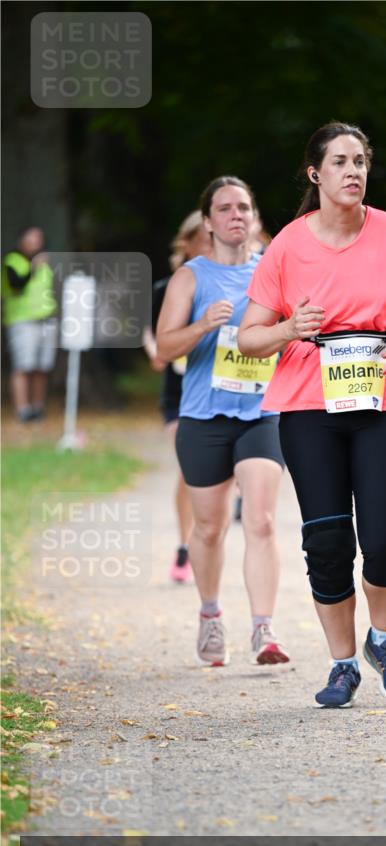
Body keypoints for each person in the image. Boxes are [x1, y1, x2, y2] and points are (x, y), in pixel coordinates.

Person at [238, 122, 386, 708]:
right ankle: (343, 664)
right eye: (340, 162)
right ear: (315, 174)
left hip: (383, 399)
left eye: (360, 161)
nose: (353, 171)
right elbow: (250, 338)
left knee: (384, 541)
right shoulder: (287, 246)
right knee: (327, 542)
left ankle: (384, 639)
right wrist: (287, 328)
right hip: (308, 405)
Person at [156, 176, 289, 667]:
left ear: (254, 218)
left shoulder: (272, 273)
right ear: (208, 221)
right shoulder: (190, 278)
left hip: (261, 413)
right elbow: (164, 347)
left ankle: (264, 629)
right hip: (203, 416)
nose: (237, 215)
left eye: (245, 207)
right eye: (226, 208)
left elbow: (293, 334)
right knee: (209, 529)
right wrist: (202, 325)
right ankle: (210, 614)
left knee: (263, 520)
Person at [142, 210, 210, 582]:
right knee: (189, 468)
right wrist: (156, 348)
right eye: (203, 238)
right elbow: (152, 338)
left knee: (215, 476)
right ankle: (184, 547)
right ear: (187, 244)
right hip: (180, 395)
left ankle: (206, 537)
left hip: (218, 389)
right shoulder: (165, 289)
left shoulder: (230, 285)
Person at [2, 227, 58, 421]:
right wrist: (33, 268)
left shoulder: (46, 263)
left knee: (42, 368)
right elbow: (16, 284)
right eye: (31, 238)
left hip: (46, 320)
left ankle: (38, 408)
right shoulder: (12, 261)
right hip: (22, 321)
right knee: (23, 366)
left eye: (39, 239)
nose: (36, 242)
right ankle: (22, 409)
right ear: (21, 240)